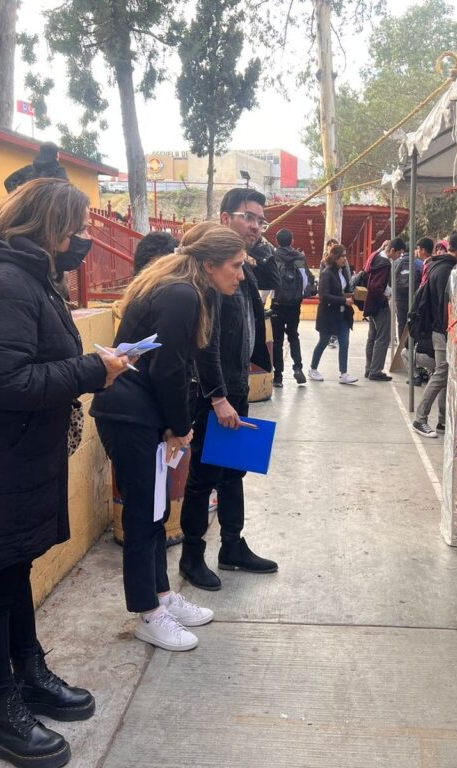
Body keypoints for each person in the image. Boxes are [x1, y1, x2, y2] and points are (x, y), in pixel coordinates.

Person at [0, 179, 132, 768]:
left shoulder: (27, 277)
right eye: (74, 229)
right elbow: (5, 382)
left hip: (11, 457)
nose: (82, 241)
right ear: (47, 227)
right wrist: (94, 371)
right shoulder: (0, 282)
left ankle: (29, 674)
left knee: (13, 573)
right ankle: (2, 712)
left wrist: (96, 365)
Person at [92, 222, 243, 656]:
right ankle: (148, 614)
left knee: (155, 511)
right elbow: (169, 369)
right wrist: (179, 426)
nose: (240, 274)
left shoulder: (184, 288)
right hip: (131, 415)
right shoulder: (181, 293)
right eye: (235, 266)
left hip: (143, 415)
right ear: (210, 264)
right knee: (144, 515)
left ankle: (160, 595)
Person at [178, 188, 277, 592]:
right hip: (210, 393)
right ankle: (191, 556)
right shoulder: (211, 277)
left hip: (235, 388)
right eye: (247, 217)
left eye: (260, 219)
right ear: (224, 219)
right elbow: (206, 343)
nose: (256, 225)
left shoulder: (243, 270)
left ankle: (232, 545)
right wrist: (218, 397)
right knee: (202, 478)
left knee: (234, 469)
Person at [410, 233, 457, 437]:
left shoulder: (439, 265)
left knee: (444, 375)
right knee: (441, 373)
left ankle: (442, 421)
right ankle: (420, 418)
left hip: (440, 329)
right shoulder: (449, 270)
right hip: (443, 330)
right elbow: (445, 306)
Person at [308, 244, 357, 384]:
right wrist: (344, 300)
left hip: (343, 315)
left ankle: (344, 373)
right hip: (328, 315)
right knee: (323, 342)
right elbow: (324, 296)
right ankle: (313, 368)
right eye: (342, 256)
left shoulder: (343, 272)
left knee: (345, 343)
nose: (345, 259)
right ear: (335, 257)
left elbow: (345, 289)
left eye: (345, 256)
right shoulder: (326, 273)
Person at [270, 228, 312, 387]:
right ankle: (298, 367)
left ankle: (278, 377)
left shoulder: (274, 257)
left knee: (278, 341)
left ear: (276, 241)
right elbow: (306, 282)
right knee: (294, 336)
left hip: (278, 305)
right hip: (295, 305)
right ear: (292, 241)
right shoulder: (300, 257)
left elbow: (269, 282)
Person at [364, 238, 398, 381]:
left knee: (372, 337)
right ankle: (376, 370)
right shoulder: (385, 264)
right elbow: (377, 287)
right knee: (383, 338)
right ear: (392, 250)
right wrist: (385, 299)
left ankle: (369, 368)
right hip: (380, 304)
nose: (399, 256)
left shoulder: (374, 258)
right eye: (399, 253)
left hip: (370, 303)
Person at [4, 141, 69, 193]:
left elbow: (9, 182)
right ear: (56, 154)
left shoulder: (28, 169)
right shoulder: (59, 171)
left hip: (26, 207)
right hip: (48, 208)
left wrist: (18, 198)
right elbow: (65, 190)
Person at [395, 238, 427, 333]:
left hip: (399, 298)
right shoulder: (419, 263)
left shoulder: (396, 263)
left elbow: (391, 280)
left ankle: (402, 344)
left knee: (401, 322)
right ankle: (410, 344)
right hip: (414, 298)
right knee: (413, 321)